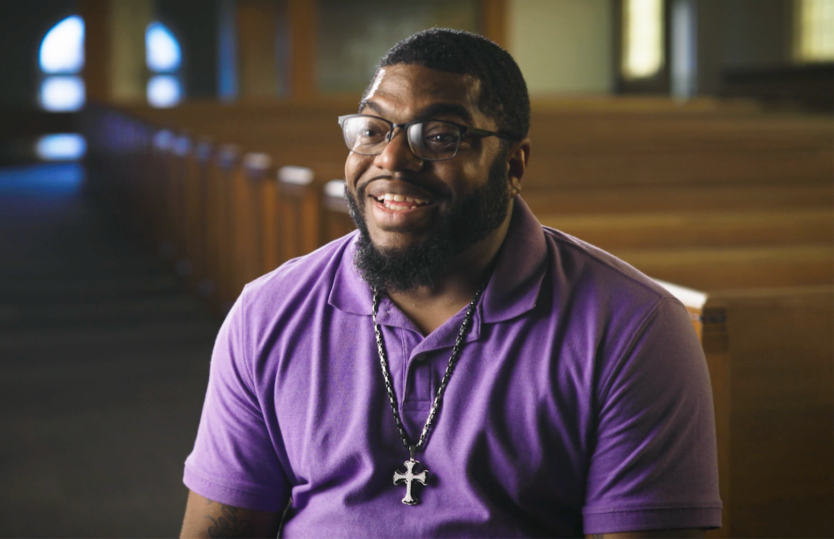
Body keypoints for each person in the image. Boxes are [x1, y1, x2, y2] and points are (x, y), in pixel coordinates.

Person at [179, 29, 721, 538]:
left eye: (440, 137)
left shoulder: (632, 327)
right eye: (372, 130)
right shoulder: (267, 311)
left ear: (513, 166)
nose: (391, 159)